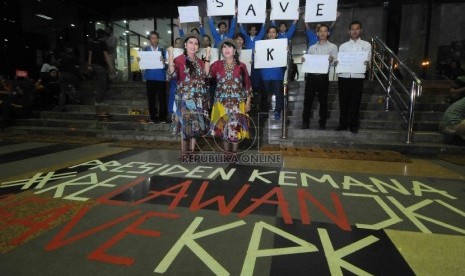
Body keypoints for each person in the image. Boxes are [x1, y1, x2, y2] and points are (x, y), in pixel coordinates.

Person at [167, 33, 211, 155]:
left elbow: (206, 74)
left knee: (195, 126)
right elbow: (172, 74)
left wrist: (207, 56)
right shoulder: (179, 59)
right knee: (184, 126)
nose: (193, 45)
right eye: (190, 42)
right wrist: (170, 55)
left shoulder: (200, 62)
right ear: (185, 45)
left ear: (198, 47)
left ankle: (191, 151)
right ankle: (184, 152)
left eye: (196, 43)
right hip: (184, 99)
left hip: (197, 100)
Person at [210, 39, 252, 156]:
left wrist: (248, 101)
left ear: (234, 50)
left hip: (237, 103)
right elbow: (207, 75)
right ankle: (226, 152)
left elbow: (247, 84)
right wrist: (207, 58)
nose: (227, 49)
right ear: (221, 51)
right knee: (223, 129)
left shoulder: (241, 66)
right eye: (224, 47)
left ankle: (234, 152)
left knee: (235, 129)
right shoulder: (217, 65)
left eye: (229, 47)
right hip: (221, 103)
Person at [336, 21, 371, 133]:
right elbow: (340, 60)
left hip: (358, 76)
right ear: (349, 31)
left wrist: (368, 63)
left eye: (357, 29)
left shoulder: (366, 45)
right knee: (343, 101)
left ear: (361, 30)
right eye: (352, 29)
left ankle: (354, 125)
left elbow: (369, 60)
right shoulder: (343, 46)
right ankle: (342, 124)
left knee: (355, 102)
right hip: (343, 76)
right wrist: (337, 63)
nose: (354, 31)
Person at [301, 24, 338, 130]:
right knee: (307, 101)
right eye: (320, 31)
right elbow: (308, 61)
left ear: (328, 33)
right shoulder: (312, 47)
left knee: (323, 101)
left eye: (325, 31)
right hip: (311, 77)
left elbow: (336, 62)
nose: (322, 33)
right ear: (317, 33)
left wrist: (332, 61)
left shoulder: (333, 47)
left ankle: (322, 123)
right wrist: (304, 60)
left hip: (323, 77)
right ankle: (305, 122)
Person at [260, 26, 286, 120]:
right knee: (265, 95)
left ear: (277, 34)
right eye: (270, 32)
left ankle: (277, 111)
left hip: (277, 73)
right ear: (267, 34)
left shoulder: (281, 45)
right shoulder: (262, 44)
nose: (271, 34)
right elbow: (258, 59)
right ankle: (265, 112)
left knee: (279, 95)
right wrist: (256, 53)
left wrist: (286, 51)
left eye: (274, 32)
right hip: (265, 74)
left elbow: (285, 60)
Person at [142, 31, 168, 124]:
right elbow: (143, 65)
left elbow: (166, 67)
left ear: (158, 39)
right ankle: (153, 117)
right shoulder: (145, 50)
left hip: (161, 78)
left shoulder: (163, 51)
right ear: (149, 40)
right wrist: (140, 61)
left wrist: (164, 61)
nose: (154, 39)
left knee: (162, 99)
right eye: (152, 38)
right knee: (151, 99)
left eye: (156, 38)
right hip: (150, 78)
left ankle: (162, 118)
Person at [88, 29, 114, 105]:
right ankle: (99, 101)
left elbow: (90, 55)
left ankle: (98, 100)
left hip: (94, 66)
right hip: (100, 66)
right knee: (103, 84)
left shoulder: (92, 43)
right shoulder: (103, 43)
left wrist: (89, 65)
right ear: (103, 36)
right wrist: (111, 67)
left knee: (98, 84)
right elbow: (106, 56)